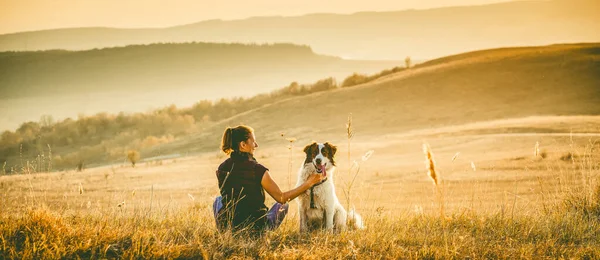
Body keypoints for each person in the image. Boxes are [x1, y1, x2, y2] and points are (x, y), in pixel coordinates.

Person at [213, 125, 325, 234]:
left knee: (218, 200)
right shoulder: (258, 170)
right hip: (257, 229)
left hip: (229, 228)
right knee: (283, 205)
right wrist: (309, 183)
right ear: (243, 145)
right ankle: (263, 230)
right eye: (253, 142)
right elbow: (282, 198)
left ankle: (224, 230)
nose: (256, 145)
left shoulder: (222, 168)